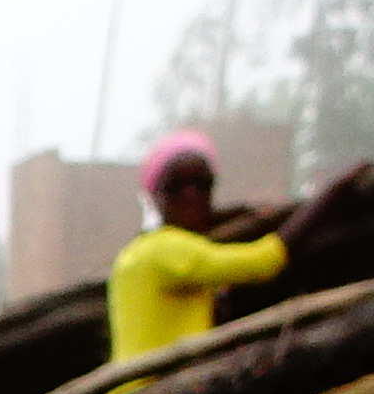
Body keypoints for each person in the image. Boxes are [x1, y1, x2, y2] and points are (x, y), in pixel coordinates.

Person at [104, 129, 358, 376]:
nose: (190, 194)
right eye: (175, 186)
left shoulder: (135, 253)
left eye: (201, 183)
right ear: (154, 196)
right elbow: (264, 262)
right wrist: (331, 196)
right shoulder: (167, 248)